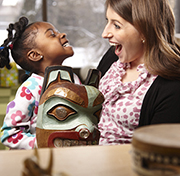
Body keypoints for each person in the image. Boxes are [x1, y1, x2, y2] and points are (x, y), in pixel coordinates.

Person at [98, 0, 180, 145]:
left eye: (116, 25)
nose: (105, 33)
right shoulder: (112, 56)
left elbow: (157, 151)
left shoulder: (172, 86)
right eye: (108, 21)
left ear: (144, 31)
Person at [0, 16, 81, 149]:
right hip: (42, 160)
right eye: (52, 34)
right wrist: (46, 143)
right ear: (35, 55)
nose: (62, 34)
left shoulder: (74, 79)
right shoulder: (30, 90)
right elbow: (10, 135)